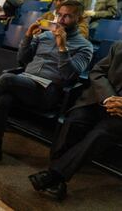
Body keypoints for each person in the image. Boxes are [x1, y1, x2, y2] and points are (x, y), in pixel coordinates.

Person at [0, 0, 93, 168]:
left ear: (79, 18)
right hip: (26, 83)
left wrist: (62, 47)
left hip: (48, 92)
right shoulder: (45, 36)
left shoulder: (85, 46)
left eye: (68, 16)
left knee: (7, 78)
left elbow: (69, 75)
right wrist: (27, 37)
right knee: (4, 98)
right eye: (60, 15)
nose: (61, 20)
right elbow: (22, 60)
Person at [29, 41, 122, 200]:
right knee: (74, 121)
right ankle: (58, 175)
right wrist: (108, 97)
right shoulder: (119, 46)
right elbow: (97, 71)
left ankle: (54, 175)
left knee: (100, 133)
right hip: (100, 99)